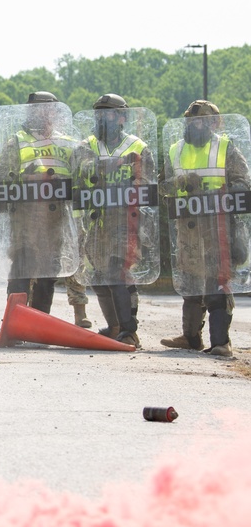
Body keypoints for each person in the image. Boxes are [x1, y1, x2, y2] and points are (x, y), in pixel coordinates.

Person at [160, 100, 250, 358]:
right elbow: (162, 188)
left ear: (212, 124)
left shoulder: (225, 149)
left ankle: (221, 342)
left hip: (218, 230)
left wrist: (219, 193)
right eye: (190, 121)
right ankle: (190, 338)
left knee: (216, 284)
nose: (194, 125)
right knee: (190, 284)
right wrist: (180, 181)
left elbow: (243, 183)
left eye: (199, 121)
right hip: (188, 230)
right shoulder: (176, 149)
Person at [76, 94, 155, 348]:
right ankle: (115, 327)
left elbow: (148, 186)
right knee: (99, 277)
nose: (102, 120)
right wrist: (113, 165)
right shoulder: (86, 145)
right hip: (96, 223)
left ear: (121, 118)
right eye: (98, 115)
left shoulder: (138, 147)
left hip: (125, 222)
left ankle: (130, 331)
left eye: (108, 114)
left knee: (117, 273)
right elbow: (79, 172)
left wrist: (128, 180)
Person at [0, 91, 82, 314]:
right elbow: (2, 179)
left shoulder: (68, 143)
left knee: (48, 272)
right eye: (37, 110)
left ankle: (40, 322)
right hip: (25, 219)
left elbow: (80, 180)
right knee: (21, 270)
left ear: (55, 112)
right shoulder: (16, 142)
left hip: (55, 221)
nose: (43, 114)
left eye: (47, 109)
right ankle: (15, 321)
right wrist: (28, 178)